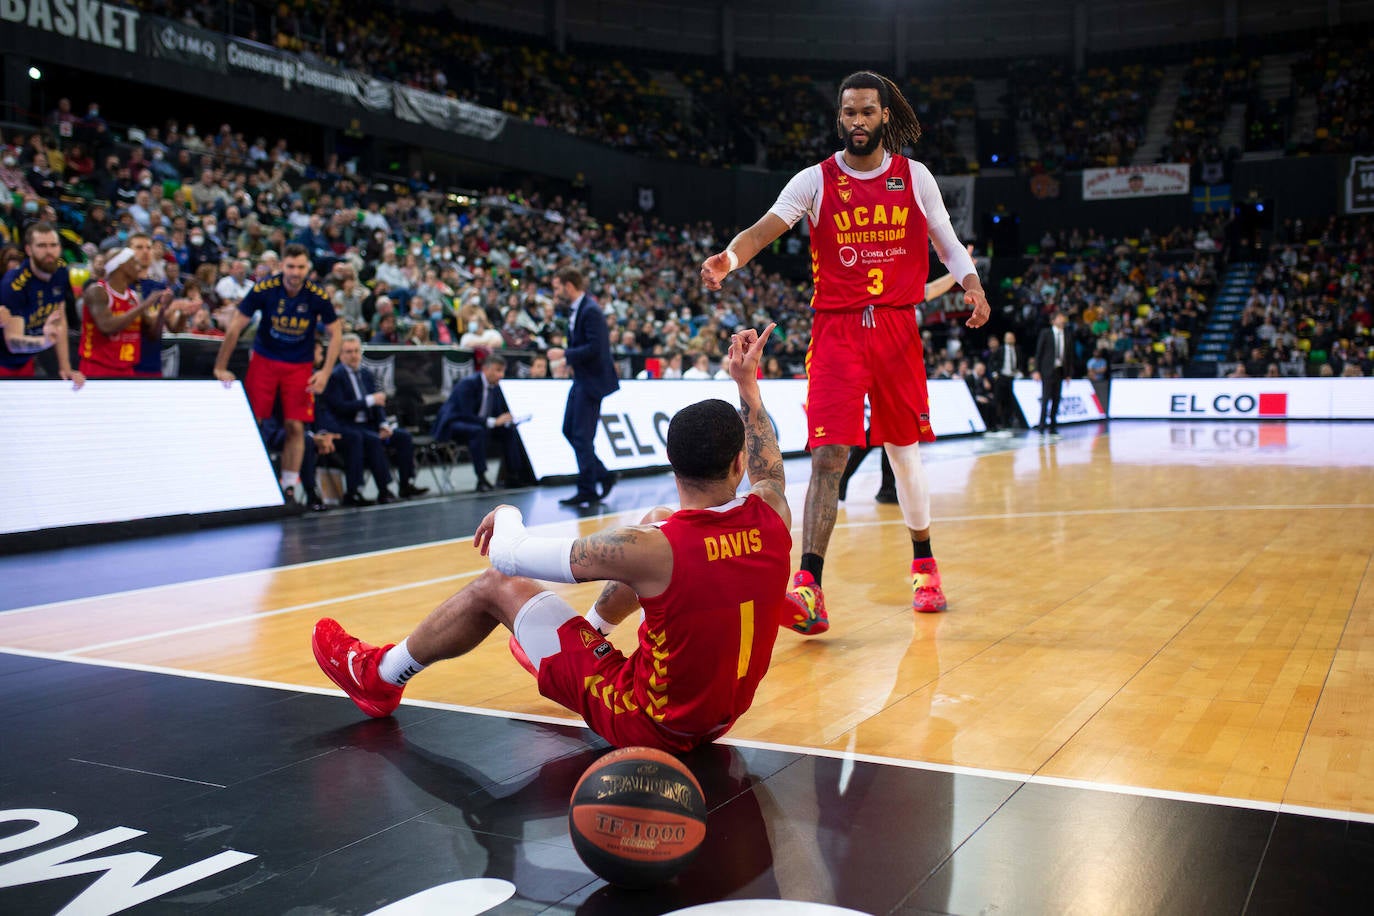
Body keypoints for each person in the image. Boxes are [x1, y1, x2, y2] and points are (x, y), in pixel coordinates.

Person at [311, 323, 792, 753]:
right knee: (658, 516)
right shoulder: (772, 511)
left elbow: (510, 555)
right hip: (718, 718)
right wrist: (746, 384)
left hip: (649, 722)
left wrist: (507, 512)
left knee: (496, 585)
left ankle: (378, 675)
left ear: (673, 465)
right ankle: (588, 634)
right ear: (738, 465)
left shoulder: (654, 550)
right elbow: (768, 463)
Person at [701, 71, 989, 631]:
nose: (858, 121)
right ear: (840, 118)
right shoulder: (814, 180)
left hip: (898, 329)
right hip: (835, 331)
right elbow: (762, 230)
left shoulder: (915, 177)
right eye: (849, 112)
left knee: (903, 454)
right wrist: (728, 260)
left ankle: (924, 564)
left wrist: (972, 284)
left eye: (867, 112)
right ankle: (809, 587)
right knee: (828, 454)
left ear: (885, 116)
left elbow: (948, 244)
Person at [213, 243, 343, 502]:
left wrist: (326, 372)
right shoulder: (264, 288)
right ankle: (245, 479)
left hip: (299, 364)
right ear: (282, 266)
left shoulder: (317, 295)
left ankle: (289, 486)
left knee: (296, 425)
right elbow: (236, 326)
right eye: (291, 266)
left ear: (308, 268)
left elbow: (336, 333)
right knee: (254, 421)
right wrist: (220, 366)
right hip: (266, 358)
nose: (295, 272)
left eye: (301, 267)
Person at [835, 266, 966, 504]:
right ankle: (850, 479)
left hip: (902, 366)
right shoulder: (877, 293)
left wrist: (962, 268)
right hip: (881, 362)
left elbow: (934, 288)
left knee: (890, 429)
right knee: (882, 428)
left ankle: (884, 486)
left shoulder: (906, 292)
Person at [323, 333, 429, 503]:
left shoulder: (366, 373)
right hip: (348, 426)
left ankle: (406, 483)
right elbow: (339, 407)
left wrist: (383, 424)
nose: (354, 355)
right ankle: (376, 489)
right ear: (340, 355)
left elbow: (378, 402)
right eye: (349, 352)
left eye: (357, 351)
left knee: (402, 437)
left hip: (370, 425)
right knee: (371, 440)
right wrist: (368, 401)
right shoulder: (335, 377)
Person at [545, 266, 619, 507]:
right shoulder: (579, 309)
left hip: (592, 381)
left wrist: (564, 354)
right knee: (570, 430)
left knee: (581, 436)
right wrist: (570, 360)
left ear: (568, 285)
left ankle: (587, 488)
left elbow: (595, 348)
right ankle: (603, 475)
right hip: (583, 379)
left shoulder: (590, 310)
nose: (555, 293)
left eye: (557, 287)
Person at [0, 222, 85, 387]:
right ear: (29, 250)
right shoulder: (14, 284)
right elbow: (13, 343)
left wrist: (65, 367)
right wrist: (45, 341)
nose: (49, 251)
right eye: (42, 246)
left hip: (26, 361)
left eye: (53, 245)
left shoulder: (61, 273)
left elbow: (59, 319)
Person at [432, 352, 524, 492]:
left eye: (503, 371)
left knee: (508, 430)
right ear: (486, 369)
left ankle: (514, 475)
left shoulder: (496, 387)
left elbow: (497, 414)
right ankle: (481, 478)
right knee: (477, 431)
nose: (501, 375)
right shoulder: (467, 384)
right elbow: (465, 414)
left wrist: (506, 420)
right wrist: (493, 422)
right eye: (498, 370)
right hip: (453, 424)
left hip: (479, 424)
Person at [77, 247, 170, 379]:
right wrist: (145, 305)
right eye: (134, 263)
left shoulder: (134, 297)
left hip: (127, 370)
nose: (138, 268)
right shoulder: (97, 291)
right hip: (97, 369)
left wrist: (162, 309)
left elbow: (152, 335)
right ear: (122, 266)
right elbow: (106, 326)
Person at [1034, 311, 1074, 434]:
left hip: (1060, 371)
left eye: (1063, 318)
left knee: (1057, 399)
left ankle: (1053, 425)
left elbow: (1069, 356)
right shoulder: (1046, 333)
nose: (1063, 320)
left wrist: (1068, 374)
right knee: (1046, 398)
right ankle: (1041, 425)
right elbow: (1039, 352)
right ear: (1053, 320)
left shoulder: (1067, 335)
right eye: (1060, 318)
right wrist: (1036, 370)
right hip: (1047, 371)